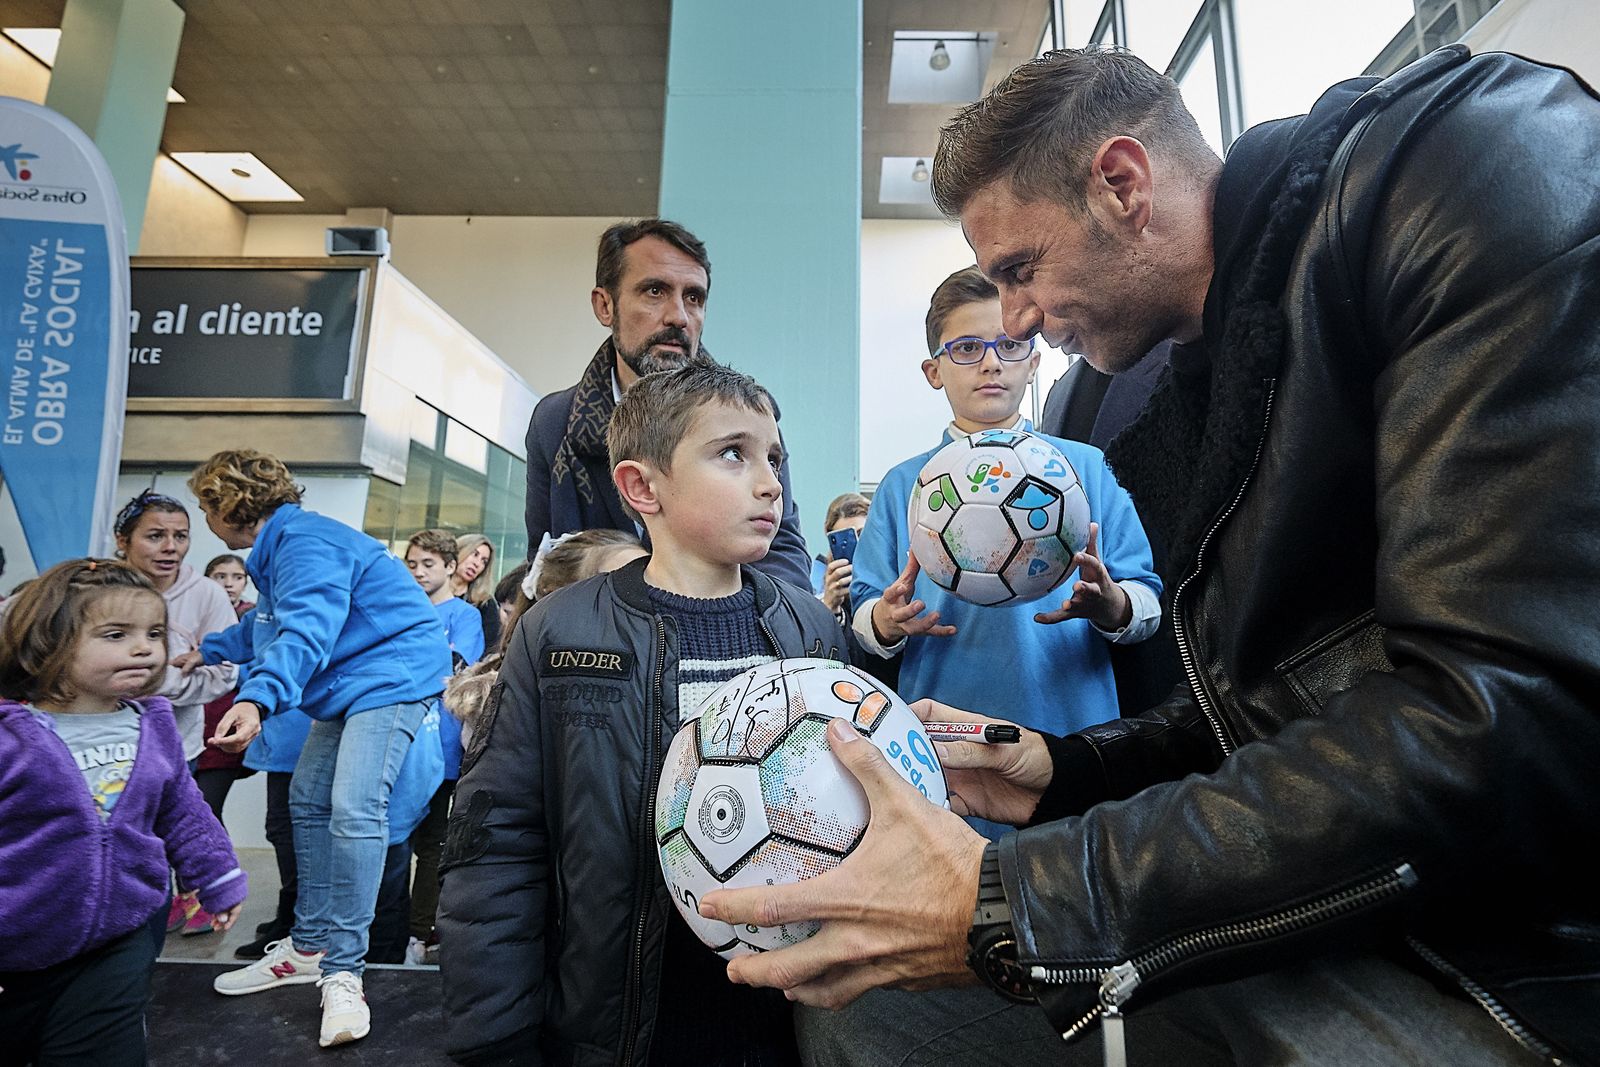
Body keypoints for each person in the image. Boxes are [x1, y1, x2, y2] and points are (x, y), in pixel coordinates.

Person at [693, 46, 1600, 1067]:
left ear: (1123, 185)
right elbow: (1280, 716)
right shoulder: (1195, 385)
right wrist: (1065, 769)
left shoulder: (1464, 164)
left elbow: (1503, 719)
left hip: (1512, 954)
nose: (1019, 321)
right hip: (1379, 898)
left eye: (1019, 272)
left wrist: (1022, 894)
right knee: (858, 997)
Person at [439, 363, 850, 1066]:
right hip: (614, 1014)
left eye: (774, 457)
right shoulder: (561, 632)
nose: (770, 481)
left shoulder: (809, 628)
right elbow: (498, 839)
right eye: (733, 453)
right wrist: (494, 1035)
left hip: (783, 1015)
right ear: (640, 486)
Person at [852, 267, 1160, 838]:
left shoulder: (1086, 468)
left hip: (1076, 741)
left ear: (1034, 362)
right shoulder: (904, 485)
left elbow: (1148, 604)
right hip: (944, 753)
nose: (991, 362)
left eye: (1009, 345)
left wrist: (1113, 606)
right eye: (967, 347)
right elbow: (864, 617)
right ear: (933, 371)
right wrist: (886, 620)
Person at [181, 450, 451, 1049]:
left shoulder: (306, 541)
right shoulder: (278, 551)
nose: (205, 518)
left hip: (393, 676)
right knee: (307, 798)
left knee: (356, 807)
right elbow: (269, 626)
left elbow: (307, 629)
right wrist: (213, 648)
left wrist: (256, 700)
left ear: (230, 505)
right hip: (351, 686)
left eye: (204, 506)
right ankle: (309, 947)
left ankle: (344, 971)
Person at [0, 560, 246, 1065]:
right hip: (18, 936)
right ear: (50, 640)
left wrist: (218, 874)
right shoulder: (11, 736)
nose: (143, 647)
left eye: (154, 633)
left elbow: (182, 810)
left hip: (121, 932)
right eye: (116, 634)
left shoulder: (154, 726)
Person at [523, 217, 811, 589]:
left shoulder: (751, 416)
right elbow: (543, 562)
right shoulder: (555, 422)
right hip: (602, 635)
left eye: (694, 298)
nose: (679, 316)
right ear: (605, 306)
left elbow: (783, 550)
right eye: (655, 291)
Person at [112, 490, 240, 940]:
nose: (171, 547)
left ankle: (183, 904)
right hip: (100, 744)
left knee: (169, 835)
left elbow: (224, 675)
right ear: (122, 540)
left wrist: (148, 683)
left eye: (181, 536)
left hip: (172, 747)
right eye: (156, 536)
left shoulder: (205, 594)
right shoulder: (96, 588)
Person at [402, 528, 485, 963]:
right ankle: (390, 929)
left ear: (451, 568)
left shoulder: (463, 616)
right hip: (399, 745)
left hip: (444, 750)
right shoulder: (400, 608)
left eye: (428, 564)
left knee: (433, 844)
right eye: (412, 564)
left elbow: (455, 668)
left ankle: (419, 933)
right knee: (393, 842)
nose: (418, 572)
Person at [811, 492, 869, 618]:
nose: (857, 545)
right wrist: (830, 608)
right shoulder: (822, 593)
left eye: (862, 534)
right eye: (845, 540)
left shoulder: (891, 573)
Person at [448, 533, 501, 652]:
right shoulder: (433, 591)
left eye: (484, 561)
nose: (477, 564)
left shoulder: (485, 604)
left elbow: (489, 648)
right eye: (475, 554)